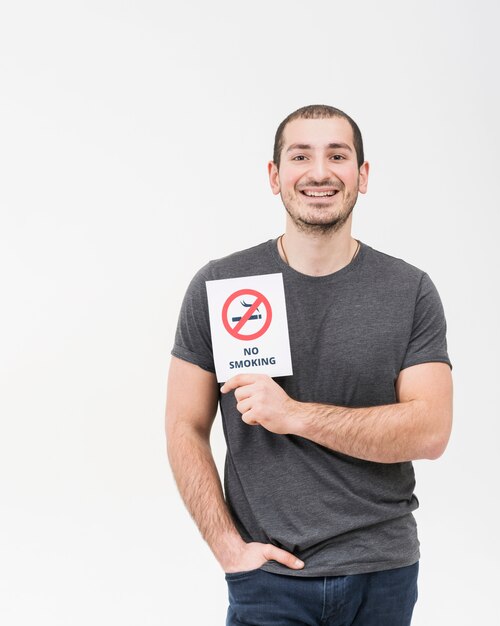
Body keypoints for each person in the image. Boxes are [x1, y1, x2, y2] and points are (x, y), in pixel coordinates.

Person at [165, 104, 453, 625]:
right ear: (275, 176)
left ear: (361, 176)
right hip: (268, 580)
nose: (319, 172)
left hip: (382, 573)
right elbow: (184, 426)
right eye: (301, 156)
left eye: (337, 156)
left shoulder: (408, 290)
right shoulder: (222, 286)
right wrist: (229, 549)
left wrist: (295, 415)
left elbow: (430, 430)